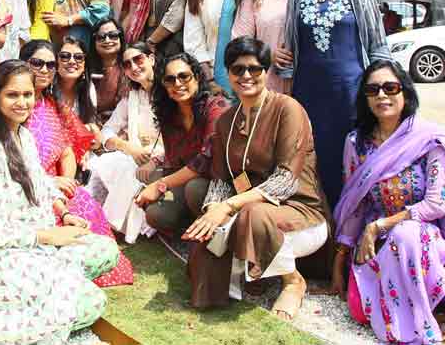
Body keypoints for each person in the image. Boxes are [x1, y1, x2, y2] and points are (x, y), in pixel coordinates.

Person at [0, 60, 119, 344]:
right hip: (1, 258)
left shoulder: (23, 135)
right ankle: (27, 310)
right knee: (92, 302)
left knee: (106, 250)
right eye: (12, 95)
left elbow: (40, 186)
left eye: (27, 95)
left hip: (36, 244)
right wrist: (51, 236)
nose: (22, 102)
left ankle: (53, 292)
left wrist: (65, 214)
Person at [184, 37, 329, 319]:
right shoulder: (227, 120)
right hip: (248, 210)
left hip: (301, 213)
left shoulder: (288, 109)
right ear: (228, 73)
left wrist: (229, 206)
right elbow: (221, 179)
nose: (246, 76)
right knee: (202, 256)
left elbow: (285, 179)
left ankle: (292, 282)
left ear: (267, 71)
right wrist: (213, 210)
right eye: (238, 69)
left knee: (252, 214)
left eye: (255, 68)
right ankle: (252, 274)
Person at [331, 60, 445, 345]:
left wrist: (380, 226)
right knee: (358, 309)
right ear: (365, 98)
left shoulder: (430, 140)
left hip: (421, 239)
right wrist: (339, 260)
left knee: (406, 235)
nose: (382, 95)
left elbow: (436, 205)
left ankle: (419, 326)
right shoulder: (356, 143)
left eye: (390, 88)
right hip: (373, 241)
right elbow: (356, 205)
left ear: (405, 92)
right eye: (373, 90)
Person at [276, 0, 391, 208]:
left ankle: (358, 227)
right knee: (318, 161)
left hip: (352, 93)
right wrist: (281, 61)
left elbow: (377, 41)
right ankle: (326, 230)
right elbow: (290, 44)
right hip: (309, 94)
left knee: (358, 158)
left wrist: (384, 87)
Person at [21, 39, 135, 287]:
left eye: (50, 65)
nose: (44, 70)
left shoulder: (52, 105)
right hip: (26, 189)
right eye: (37, 63)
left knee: (85, 204)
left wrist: (67, 183)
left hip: (58, 187)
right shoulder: (16, 105)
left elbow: (67, 153)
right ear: (23, 64)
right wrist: (50, 184)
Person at [135, 52, 229, 235]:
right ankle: (191, 225)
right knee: (156, 214)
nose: (177, 84)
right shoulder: (169, 115)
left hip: (220, 181)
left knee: (194, 189)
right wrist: (158, 186)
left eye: (184, 76)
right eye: (170, 79)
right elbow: (173, 163)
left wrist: (160, 185)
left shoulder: (216, 107)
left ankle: (212, 232)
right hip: (187, 181)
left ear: (197, 77)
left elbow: (206, 160)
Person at [87, 41, 161, 241]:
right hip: (136, 156)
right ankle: (90, 213)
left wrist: (154, 161)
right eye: (127, 64)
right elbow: (108, 131)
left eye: (138, 59)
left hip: (164, 161)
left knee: (127, 169)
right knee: (107, 163)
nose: (134, 67)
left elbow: (179, 138)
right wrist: (127, 147)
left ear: (151, 59)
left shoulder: (169, 92)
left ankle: (108, 224)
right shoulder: (132, 97)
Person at [89, 17, 128, 125]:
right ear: (94, 42)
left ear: (120, 38)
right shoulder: (86, 70)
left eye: (113, 35)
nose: (107, 40)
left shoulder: (131, 67)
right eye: (101, 37)